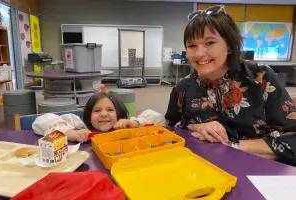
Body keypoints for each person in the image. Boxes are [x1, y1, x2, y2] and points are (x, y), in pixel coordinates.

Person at [165, 5, 296, 165]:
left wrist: (231, 146)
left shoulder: (260, 77)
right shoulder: (183, 88)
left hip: (260, 170)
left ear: (229, 45)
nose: (199, 54)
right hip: (205, 169)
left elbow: (292, 139)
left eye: (210, 43)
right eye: (192, 45)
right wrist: (195, 126)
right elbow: (172, 128)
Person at [32, 92, 164, 143]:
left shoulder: (126, 126)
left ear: (119, 115)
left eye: (110, 110)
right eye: (97, 110)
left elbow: (158, 118)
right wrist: (69, 133)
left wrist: (135, 122)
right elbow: (41, 121)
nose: (103, 114)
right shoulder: (80, 126)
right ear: (89, 116)